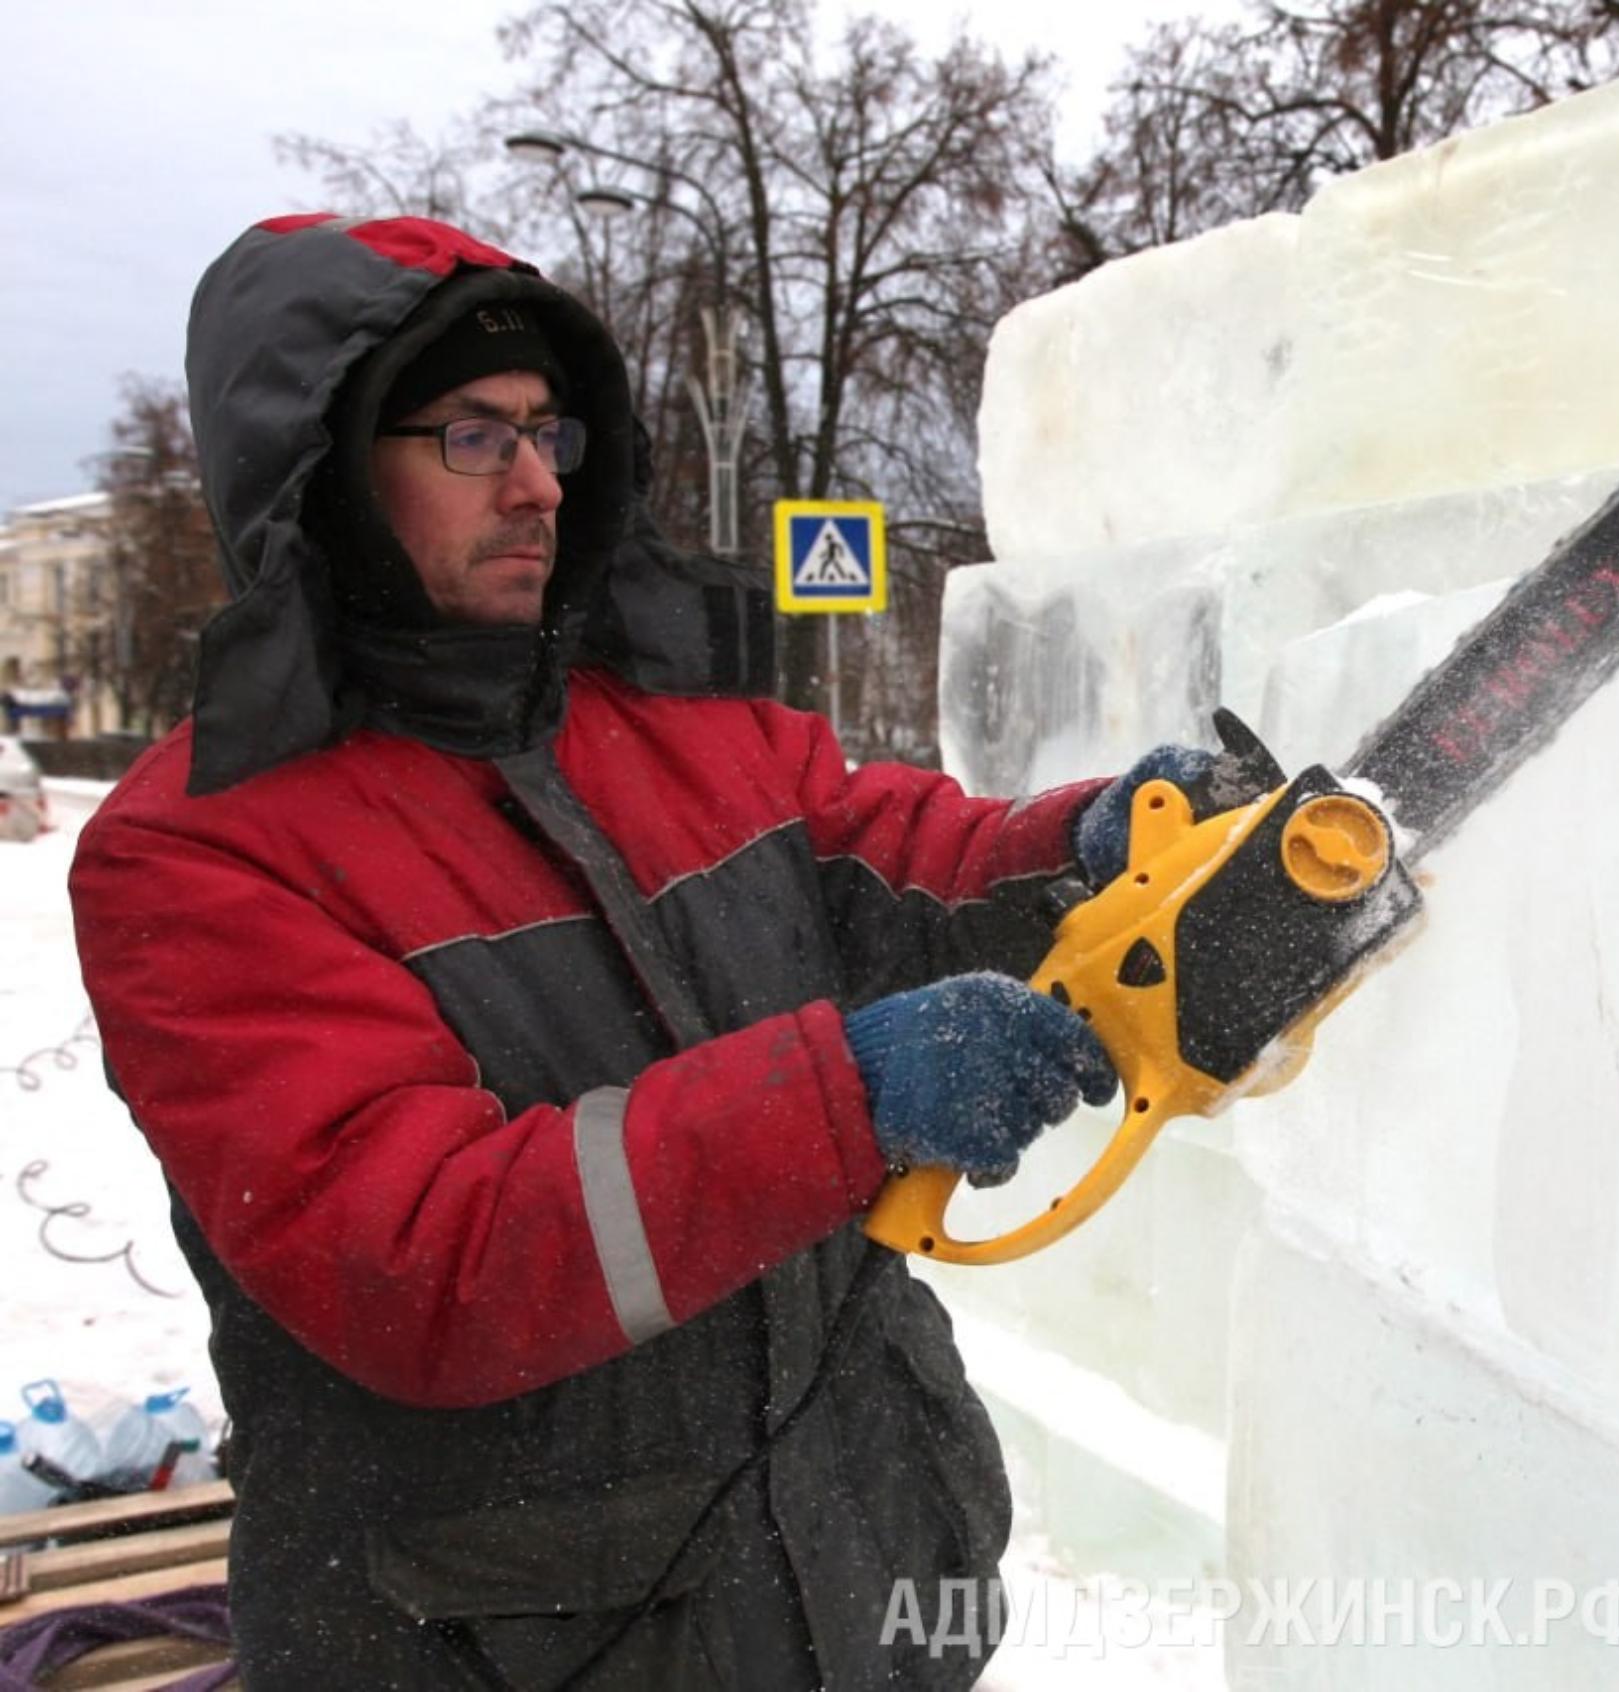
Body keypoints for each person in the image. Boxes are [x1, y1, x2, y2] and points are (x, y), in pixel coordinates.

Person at [67, 214, 1218, 1689]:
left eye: (548, 431)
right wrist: (845, 1101)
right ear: (329, 476)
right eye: (472, 439)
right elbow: (422, 1256)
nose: (540, 482)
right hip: (512, 1645)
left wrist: (1093, 845)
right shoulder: (206, 853)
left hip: (853, 1575)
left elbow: (894, 858)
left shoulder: (687, 728)